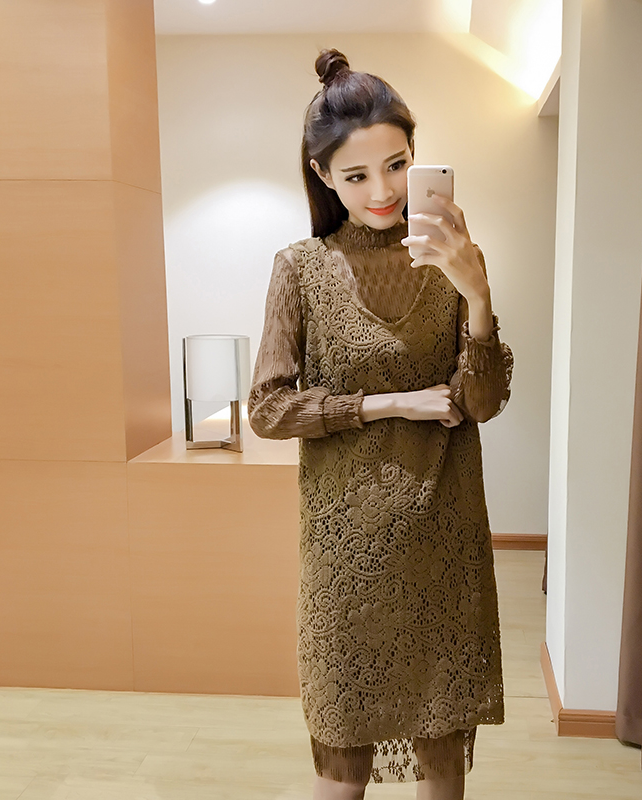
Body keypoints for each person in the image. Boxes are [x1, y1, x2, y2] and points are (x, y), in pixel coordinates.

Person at [248, 49, 513, 800]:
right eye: (357, 175)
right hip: (345, 557)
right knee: (342, 768)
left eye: (397, 166)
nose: (384, 191)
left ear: (415, 156)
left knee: (442, 764)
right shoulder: (300, 269)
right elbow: (267, 407)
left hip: (443, 545)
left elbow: (481, 401)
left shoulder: (453, 261)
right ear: (323, 174)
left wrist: (479, 298)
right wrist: (390, 403)